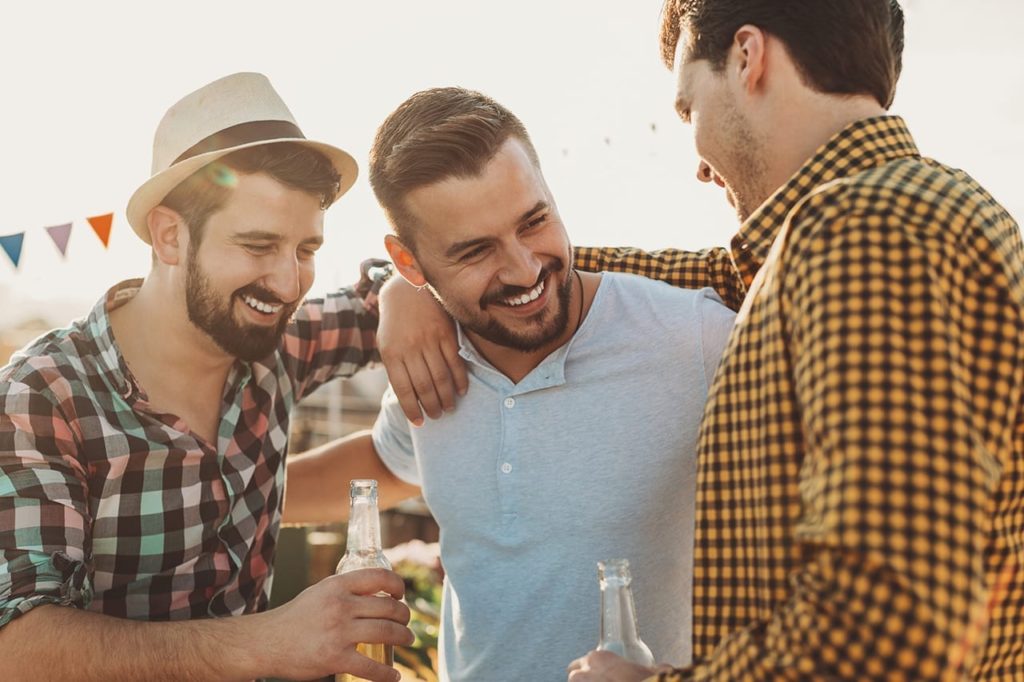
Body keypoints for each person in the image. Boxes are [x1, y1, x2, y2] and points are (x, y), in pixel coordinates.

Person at [564, 0, 1023, 679]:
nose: (696, 163)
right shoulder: (900, 215)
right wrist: (464, 278)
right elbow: (722, 278)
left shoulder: (865, 229)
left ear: (749, 57)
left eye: (689, 107)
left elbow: (886, 624)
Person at [304, 86, 735, 681]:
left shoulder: (696, 339)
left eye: (534, 221)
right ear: (409, 264)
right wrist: (240, 499)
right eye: (475, 252)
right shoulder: (429, 357)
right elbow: (385, 463)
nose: (526, 269)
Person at [0, 72, 413, 682]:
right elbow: (19, 648)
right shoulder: (42, 394)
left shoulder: (274, 343)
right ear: (170, 236)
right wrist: (269, 641)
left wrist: (407, 297)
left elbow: (387, 291)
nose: (288, 282)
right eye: (257, 245)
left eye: (304, 249)